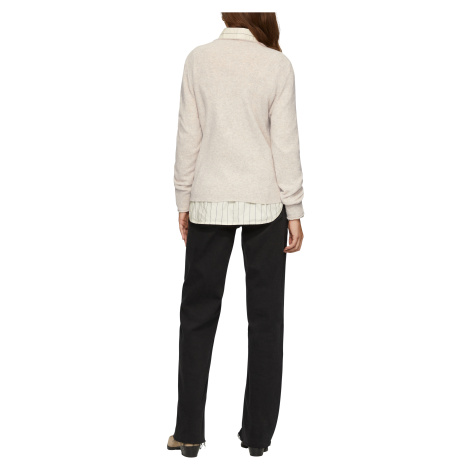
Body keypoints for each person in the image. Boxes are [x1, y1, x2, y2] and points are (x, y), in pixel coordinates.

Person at [167, 12, 304, 458]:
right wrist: (294, 209)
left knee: (197, 316)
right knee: (266, 321)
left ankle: (188, 432)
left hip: (208, 201)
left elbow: (188, 135)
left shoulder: (199, 59)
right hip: (267, 205)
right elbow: (285, 144)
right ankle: (258, 438)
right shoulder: (277, 65)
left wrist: (184, 200)